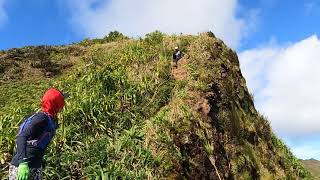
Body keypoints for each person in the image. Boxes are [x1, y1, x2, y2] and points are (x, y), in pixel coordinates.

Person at [9, 88, 68, 180]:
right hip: (23, 167)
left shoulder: (52, 118)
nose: (63, 105)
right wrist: (22, 163)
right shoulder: (41, 118)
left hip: (35, 165)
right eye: (61, 101)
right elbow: (21, 136)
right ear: (56, 103)